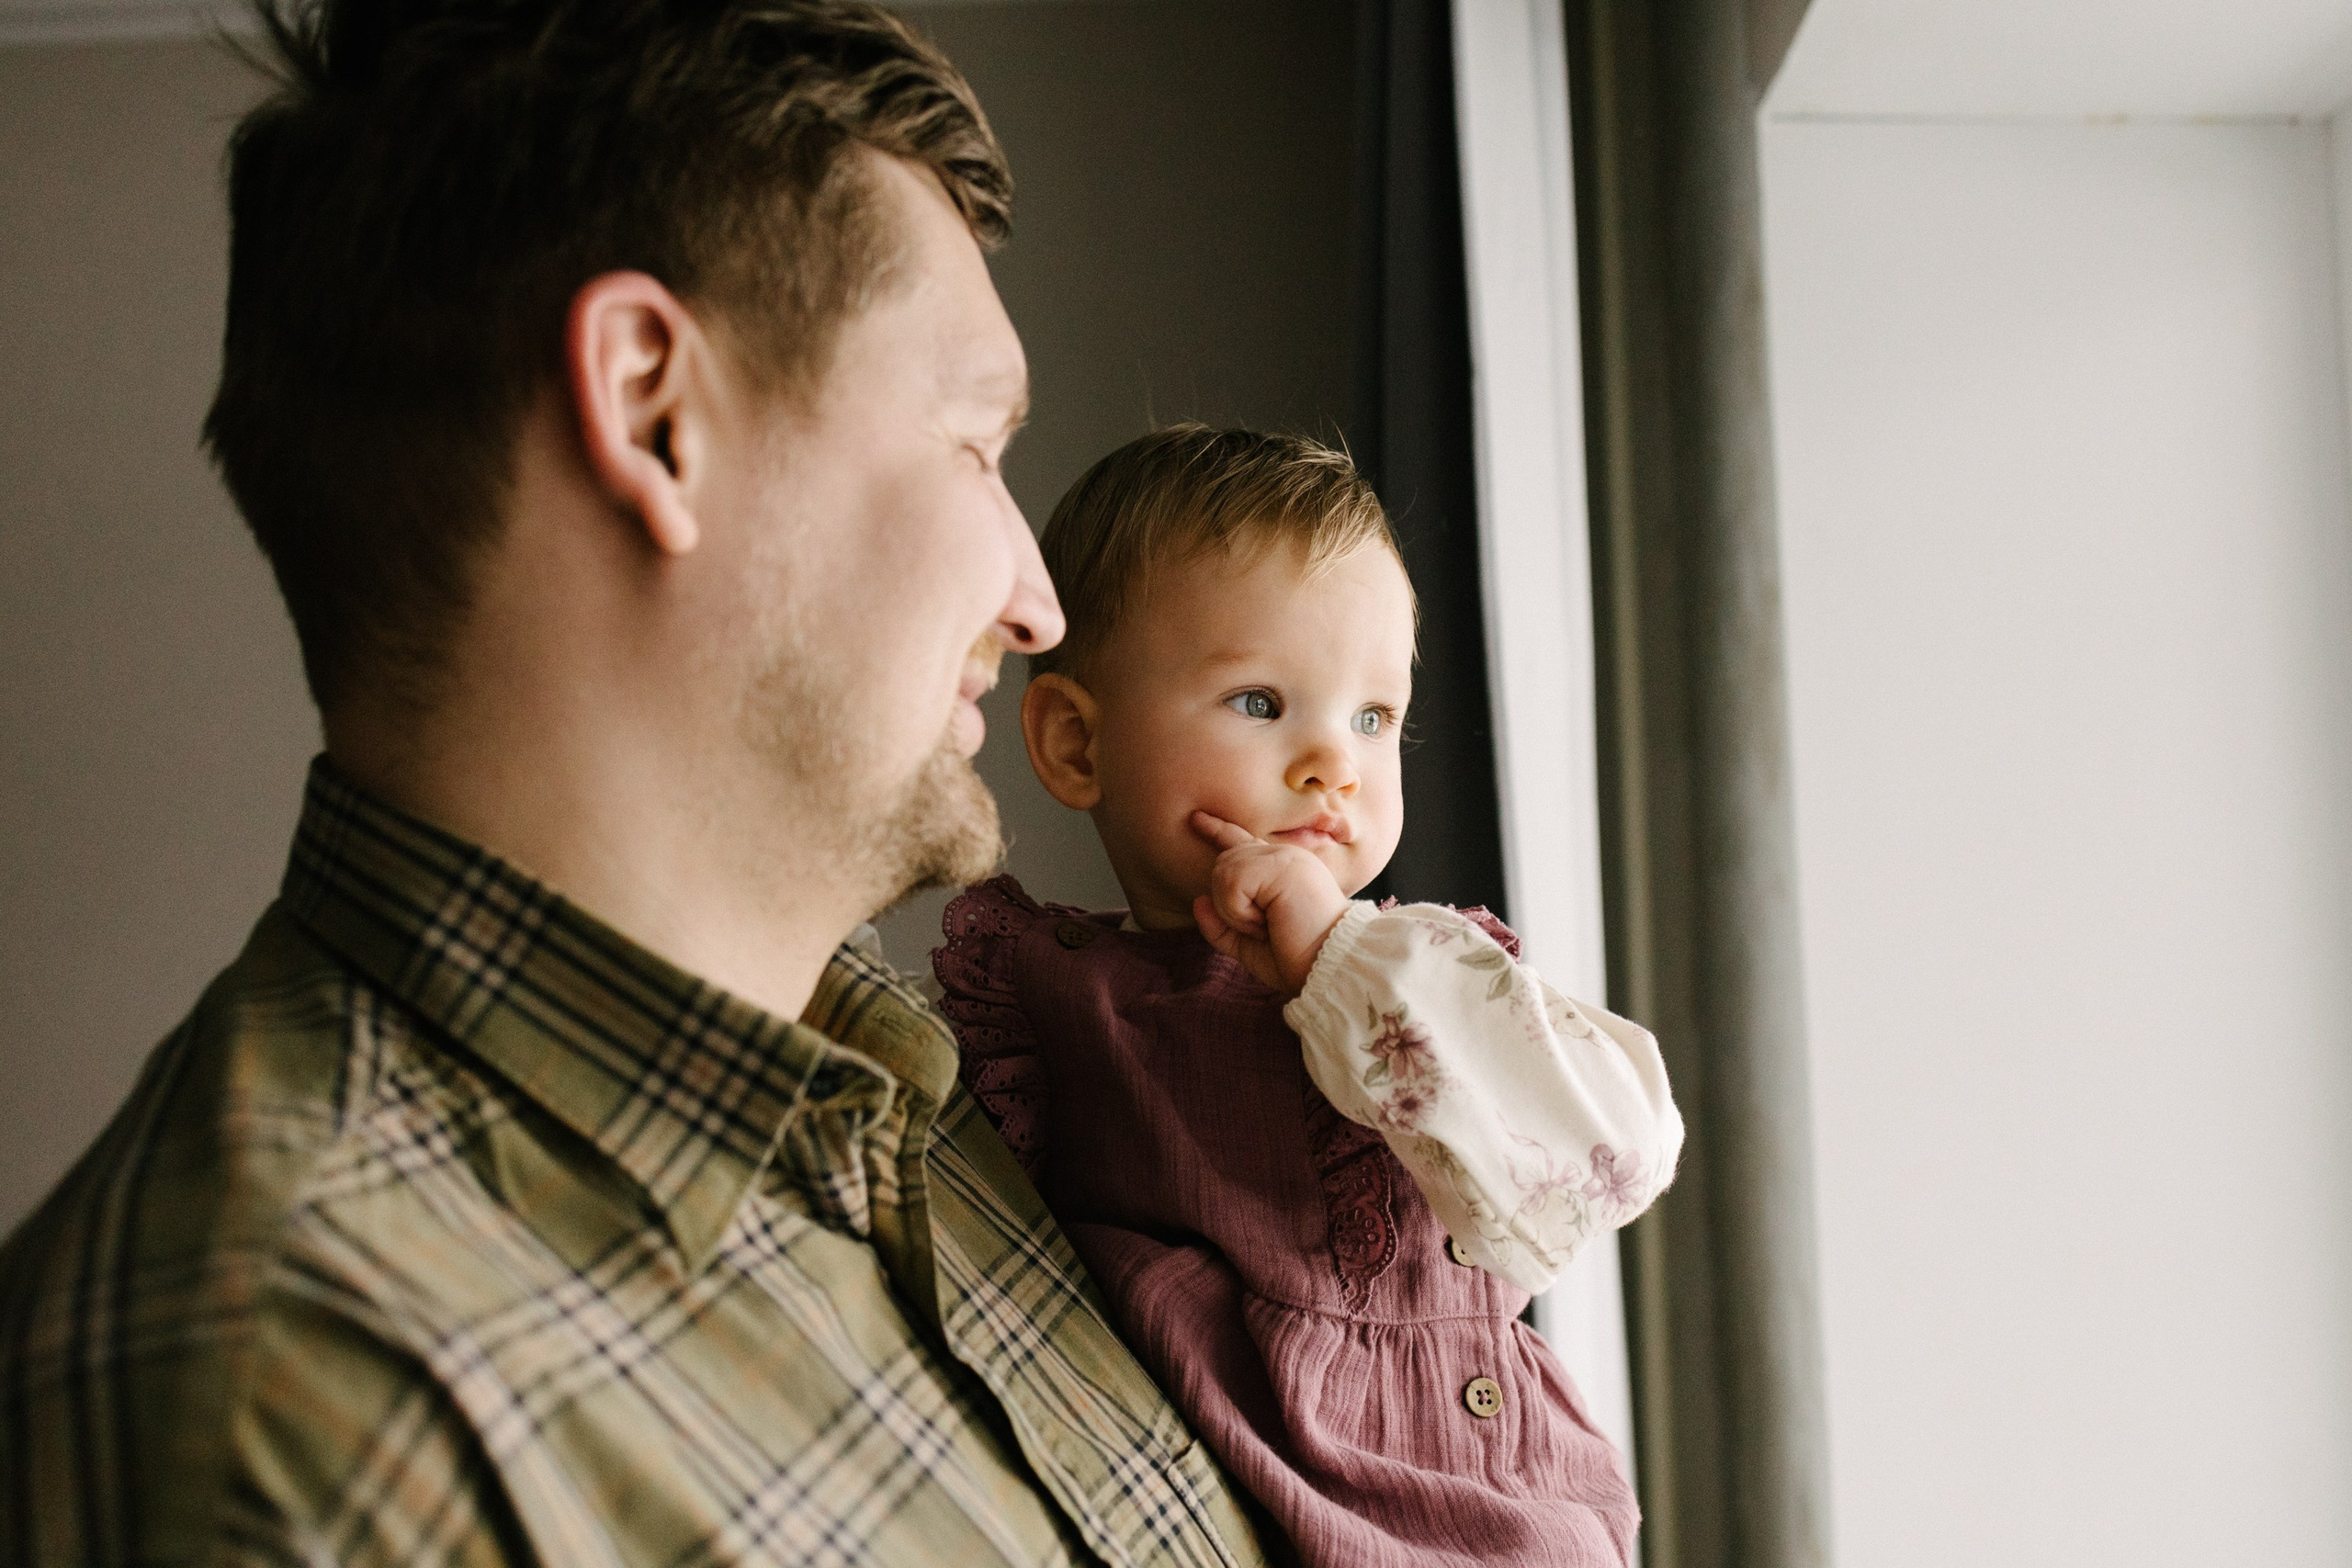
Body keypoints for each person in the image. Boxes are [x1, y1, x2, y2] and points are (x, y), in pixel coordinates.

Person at [0, 4, 1275, 1564]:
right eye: (970, 445)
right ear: (654, 410)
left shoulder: (913, 1088)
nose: (1039, 603)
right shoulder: (272, 1436)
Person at [931, 427, 1686, 1568]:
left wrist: (1339, 955)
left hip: (1467, 1500)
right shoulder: (1035, 994)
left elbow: (1616, 1152)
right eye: (1260, 701)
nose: (1334, 762)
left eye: (1374, 719)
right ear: (1078, 746)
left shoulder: (1419, 972)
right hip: (1199, 1500)